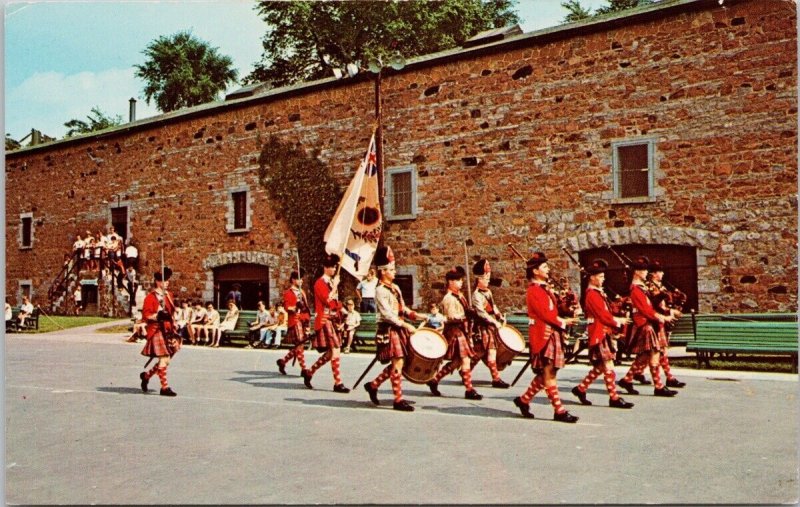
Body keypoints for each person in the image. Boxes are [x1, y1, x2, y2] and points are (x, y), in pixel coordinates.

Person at [512, 252, 580, 422]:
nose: (548, 269)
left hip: (552, 334)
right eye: (544, 267)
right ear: (535, 271)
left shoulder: (545, 289)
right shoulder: (534, 291)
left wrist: (568, 303)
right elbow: (546, 314)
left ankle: (524, 400)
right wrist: (564, 322)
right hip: (544, 336)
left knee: (548, 373)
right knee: (549, 373)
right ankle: (559, 411)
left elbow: (555, 309)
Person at [364, 246, 426, 411]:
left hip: (400, 329)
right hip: (390, 329)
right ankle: (398, 400)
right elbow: (388, 315)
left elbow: (402, 309)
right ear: (383, 271)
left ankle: (373, 384)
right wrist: (406, 325)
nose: (395, 271)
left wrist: (417, 316)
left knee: (400, 362)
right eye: (391, 269)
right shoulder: (379, 290)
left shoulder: (395, 288)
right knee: (398, 362)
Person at [570, 259, 635, 409]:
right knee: (608, 364)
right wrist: (618, 321)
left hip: (604, 332)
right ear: (592, 277)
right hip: (599, 332)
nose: (603, 279)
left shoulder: (598, 293)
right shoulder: (592, 294)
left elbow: (607, 312)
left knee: (601, 366)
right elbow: (603, 315)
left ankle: (580, 389)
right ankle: (614, 397)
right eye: (600, 276)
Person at [616, 256, 678, 398]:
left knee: (644, 355)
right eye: (643, 270)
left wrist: (662, 298)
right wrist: (663, 317)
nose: (646, 272)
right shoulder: (636, 289)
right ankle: (659, 386)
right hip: (644, 324)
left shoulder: (642, 287)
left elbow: (651, 304)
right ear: (637, 272)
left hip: (648, 323)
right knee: (655, 352)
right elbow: (646, 310)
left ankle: (627, 380)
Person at [426, 266, 483, 400]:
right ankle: (469, 389)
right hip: (455, 331)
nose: (461, 282)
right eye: (458, 280)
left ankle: (434, 380)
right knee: (465, 359)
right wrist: (466, 316)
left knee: (457, 361)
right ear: (451, 282)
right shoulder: (449, 298)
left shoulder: (460, 295)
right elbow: (451, 317)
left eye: (461, 280)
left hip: (462, 330)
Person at [301, 254, 350, 393]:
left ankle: (309, 372)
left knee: (330, 354)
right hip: (324, 320)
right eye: (332, 267)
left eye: (335, 266)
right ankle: (338, 383)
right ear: (325, 268)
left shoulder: (330, 282)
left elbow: (335, 303)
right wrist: (335, 287)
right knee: (336, 350)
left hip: (333, 320)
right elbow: (327, 301)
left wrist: (343, 309)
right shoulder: (319, 283)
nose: (334, 269)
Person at [138, 267, 180, 397]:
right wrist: (157, 315)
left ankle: (146, 376)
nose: (167, 282)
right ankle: (164, 388)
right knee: (164, 357)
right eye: (164, 280)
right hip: (157, 329)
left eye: (168, 280)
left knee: (166, 359)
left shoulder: (169, 295)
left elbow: (172, 312)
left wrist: (174, 320)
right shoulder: (150, 297)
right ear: (157, 282)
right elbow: (146, 315)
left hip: (168, 329)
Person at [470, 258, 510, 388]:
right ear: (479, 280)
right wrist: (494, 322)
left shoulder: (488, 292)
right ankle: (466, 370)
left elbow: (493, 306)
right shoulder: (476, 295)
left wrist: (499, 315)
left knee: (489, 352)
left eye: (488, 278)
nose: (488, 281)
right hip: (482, 327)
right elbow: (481, 313)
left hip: (490, 326)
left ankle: (495, 378)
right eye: (485, 279)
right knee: (481, 353)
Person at [647, 259, 686, 388]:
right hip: (656, 320)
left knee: (662, 351)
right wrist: (671, 311)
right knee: (654, 354)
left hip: (662, 319)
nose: (662, 273)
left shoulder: (659, 285)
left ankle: (669, 378)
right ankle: (659, 383)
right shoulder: (650, 286)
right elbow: (655, 305)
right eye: (659, 271)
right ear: (653, 273)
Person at [277, 270, 311, 376]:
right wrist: (296, 306)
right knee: (300, 344)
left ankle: (283, 361)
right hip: (295, 320)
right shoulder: (288, 292)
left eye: (301, 279)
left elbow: (306, 308)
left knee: (299, 345)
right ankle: (304, 369)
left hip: (303, 320)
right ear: (293, 280)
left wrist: (307, 322)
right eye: (298, 279)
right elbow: (287, 307)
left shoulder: (303, 292)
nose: (301, 281)